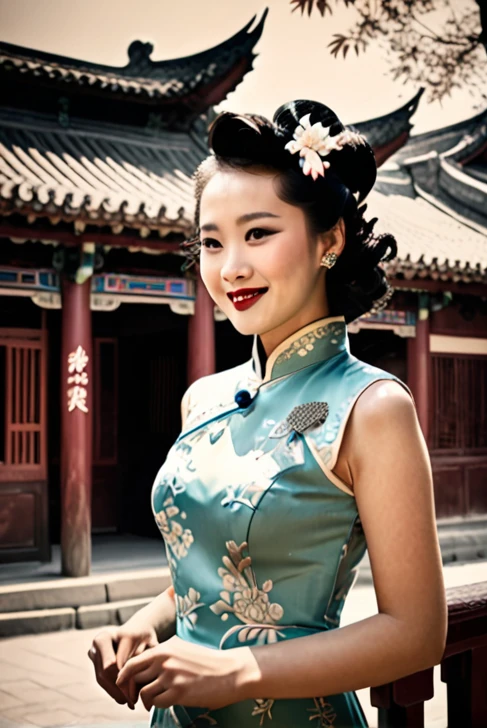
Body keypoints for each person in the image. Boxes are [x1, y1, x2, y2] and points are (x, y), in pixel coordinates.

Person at [89, 100, 447, 727]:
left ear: (329, 239)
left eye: (258, 233)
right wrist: (146, 623)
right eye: (211, 241)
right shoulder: (202, 398)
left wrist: (238, 671)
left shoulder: (372, 407)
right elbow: (215, 567)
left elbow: (416, 633)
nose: (231, 268)